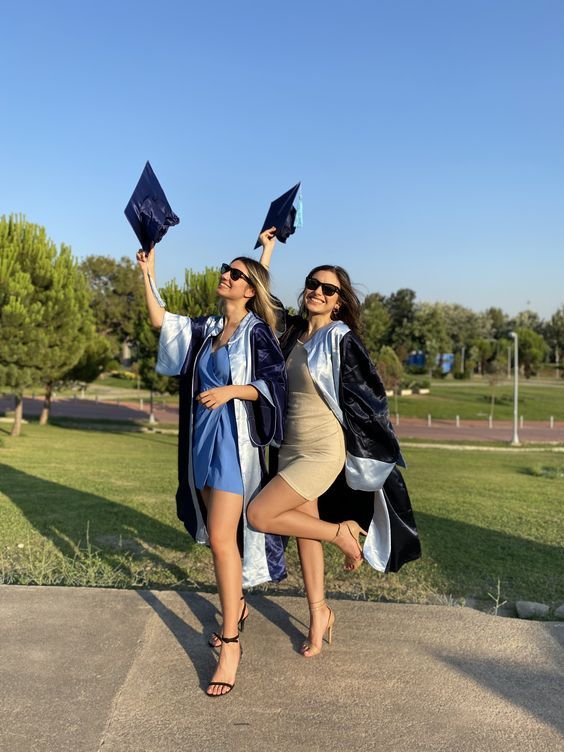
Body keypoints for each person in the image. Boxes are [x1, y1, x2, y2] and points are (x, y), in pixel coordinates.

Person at [248, 229, 421, 657]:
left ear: (339, 300)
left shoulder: (340, 339)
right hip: (289, 449)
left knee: (260, 514)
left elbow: (369, 399)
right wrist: (268, 249)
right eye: (313, 284)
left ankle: (341, 533)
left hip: (322, 451)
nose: (318, 292)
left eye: (329, 289)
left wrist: (376, 452)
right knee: (304, 533)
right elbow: (261, 299)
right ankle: (319, 612)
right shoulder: (291, 336)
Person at [137, 247, 287, 695]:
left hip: (232, 443)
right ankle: (235, 607)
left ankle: (232, 643)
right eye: (226, 269)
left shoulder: (256, 332)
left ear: (249, 290)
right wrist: (148, 273)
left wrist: (231, 391)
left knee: (223, 538)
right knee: (218, 539)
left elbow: (274, 385)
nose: (225, 275)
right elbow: (161, 322)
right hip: (201, 442)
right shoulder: (208, 329)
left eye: (236, 273)